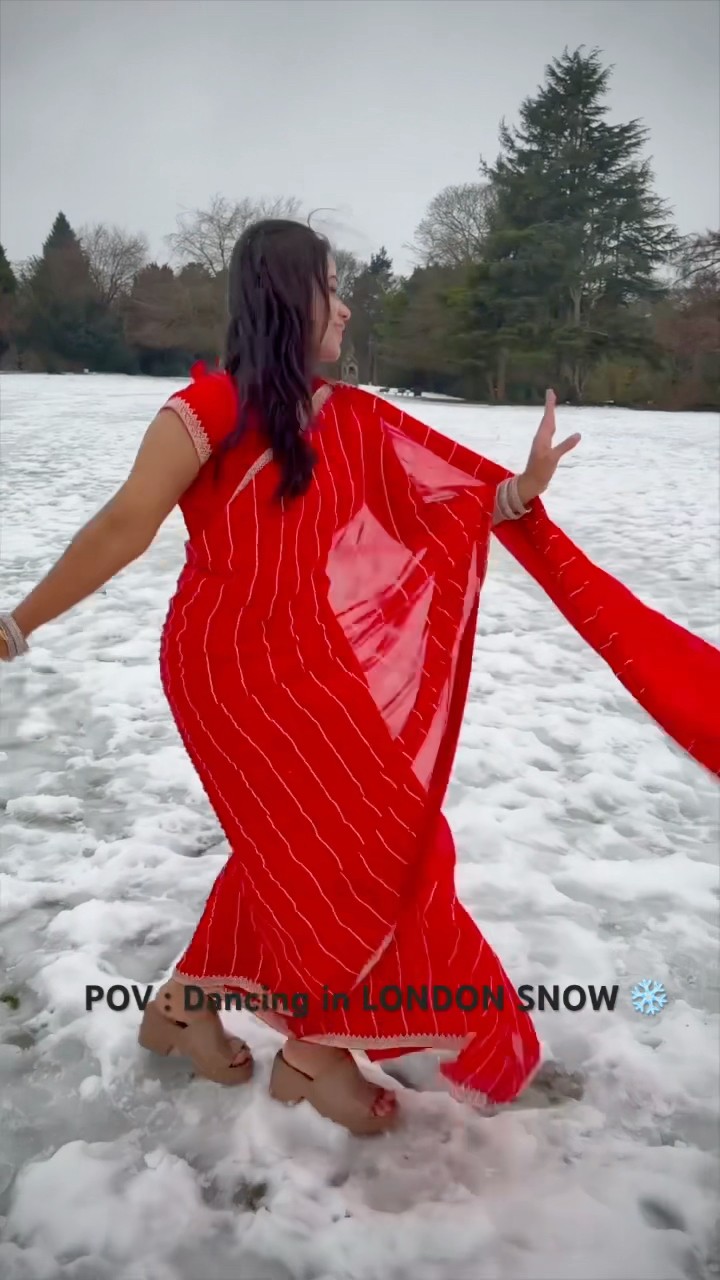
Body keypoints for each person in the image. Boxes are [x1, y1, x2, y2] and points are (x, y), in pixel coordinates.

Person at [2, 220, 718, 1138]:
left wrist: (520, 492)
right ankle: (315, 1053)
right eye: (331, 288)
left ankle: (185, 1010)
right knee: (332, 848)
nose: (345, 307)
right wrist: (17, 624)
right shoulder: (211, 408)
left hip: (314, 663)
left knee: (336, 845)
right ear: (283, 296)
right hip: (231, 671)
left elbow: (434, 504)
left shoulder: (344, 416)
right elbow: (125, 523)